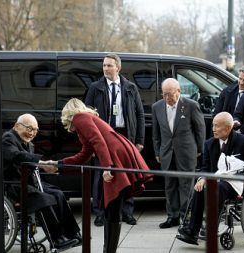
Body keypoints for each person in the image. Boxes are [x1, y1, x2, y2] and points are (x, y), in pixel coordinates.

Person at [56, 98, 152, 253]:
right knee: (111, 205)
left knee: (113, 204)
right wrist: (59, 164)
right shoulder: (86, 119)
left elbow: (98, 141)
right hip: (118, 153)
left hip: (115, 156)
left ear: (68, 114)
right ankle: (108, 250)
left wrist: (107, 167)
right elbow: (84, 154)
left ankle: (109, 250)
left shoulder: (79, 118)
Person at [176, 112, 244, 245]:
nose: (213, 129)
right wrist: (202, 178)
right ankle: (192, 230)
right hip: (216, 180)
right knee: (199, 187)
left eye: (217, 126)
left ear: (228, 127)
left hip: (236, 182)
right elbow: (205, 167)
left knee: (218, 187)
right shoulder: (209, 143)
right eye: (213, 125)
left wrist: (232, 174)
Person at [2, 113, 81, 249]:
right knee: (43, 199)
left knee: (58, 193)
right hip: (14, 185)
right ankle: (56, 240)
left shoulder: (28, 144)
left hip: (29, 182)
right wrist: (40, 162)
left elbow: (32, 165)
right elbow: (17, 156)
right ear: (17, 126)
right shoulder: (8, 139)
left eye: (35, 130)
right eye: (29, 128)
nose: (32, 133)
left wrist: (48, 168)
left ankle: (74, 234)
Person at [84, 53, 144, 226]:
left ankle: (127, 212)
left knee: (127, 174)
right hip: (102, 137)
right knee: (101, 174)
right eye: (104, 65)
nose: (105, 69)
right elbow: (87, 116)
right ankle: (100, 212)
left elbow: (139, 114)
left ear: (118, 67)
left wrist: (138, 140)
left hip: (124, 135)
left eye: (109, 65)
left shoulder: (130, 88)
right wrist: (91, 143)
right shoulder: (96, 87)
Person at [152, 78, 205, 229]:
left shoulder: (191, 106)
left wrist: (199, 150)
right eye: (164, 94)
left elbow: (200, 130)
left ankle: (186, 217)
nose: (167, 98)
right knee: (169, 186)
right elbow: (156, 134)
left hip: (187, 152)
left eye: (169, 94)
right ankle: (172, 216)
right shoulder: (157, 107)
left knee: (186, 186)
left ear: (179, 92)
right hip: (167, 153)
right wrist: (157, 151)